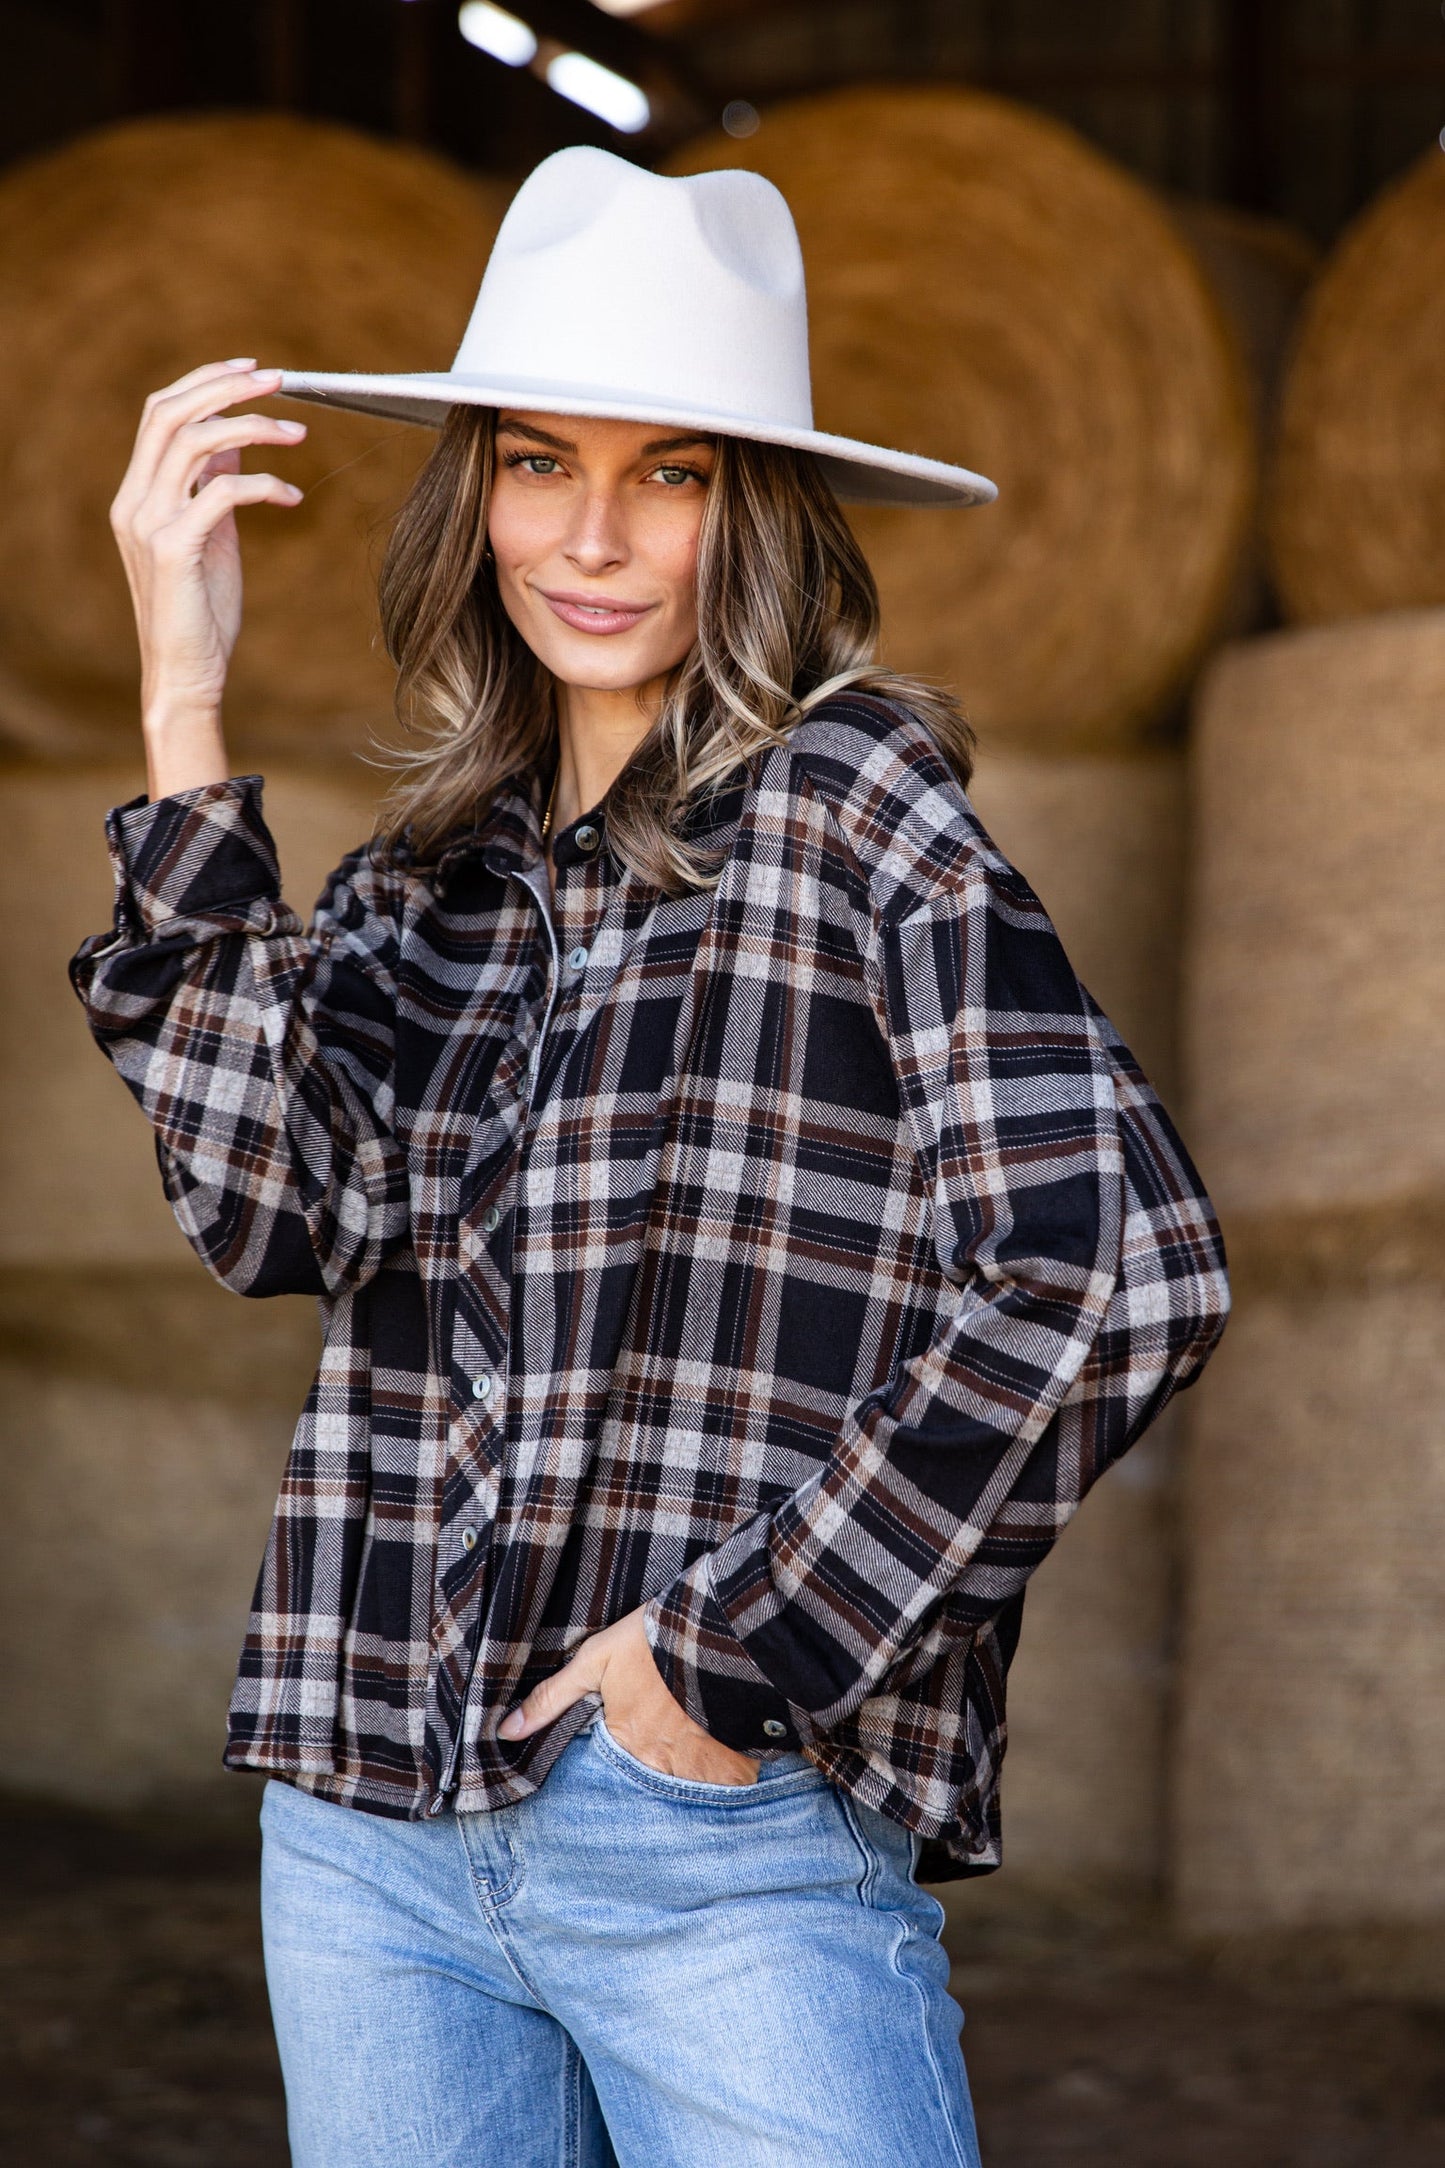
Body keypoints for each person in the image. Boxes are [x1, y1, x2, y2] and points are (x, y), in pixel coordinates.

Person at [72, 148, 1229, 2168]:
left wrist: (730, 1654)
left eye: (672, 473)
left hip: (709, 1823)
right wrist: (183, 694)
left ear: (757, 509)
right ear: (475, 496)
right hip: (368, 1833)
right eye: (537, 462)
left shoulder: (855, 809)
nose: (592, 536)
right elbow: (266, 1204)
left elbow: (1113, 1266)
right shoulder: (424, 878)